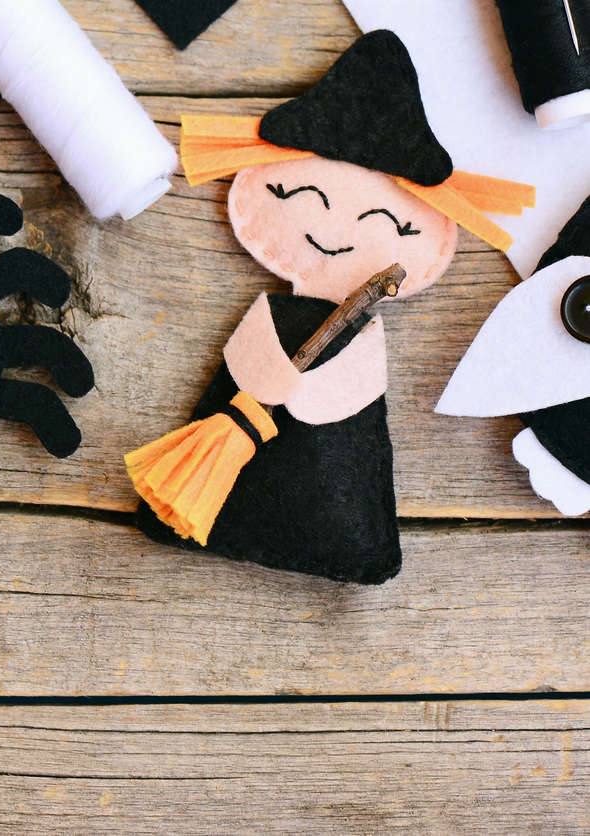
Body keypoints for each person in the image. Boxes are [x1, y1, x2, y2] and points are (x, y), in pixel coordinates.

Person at [132, 30, 534, 583]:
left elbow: (355, 385)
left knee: (342, 498)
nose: (335, 231)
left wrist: (296, 388)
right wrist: (264, 385)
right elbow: (245, 351)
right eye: (303, 199)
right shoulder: (276, 309)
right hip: (238, 432)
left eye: (382, 225)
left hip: (326, 447)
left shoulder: (363, 331)